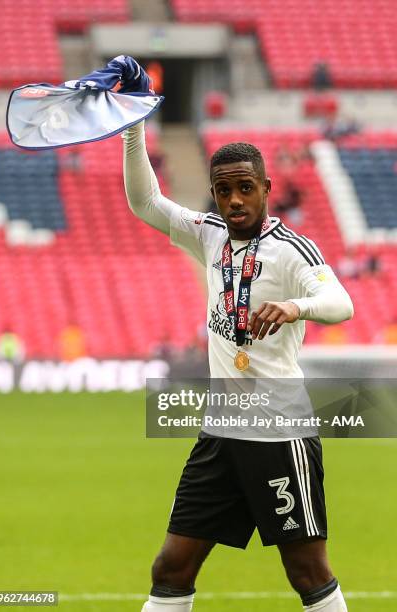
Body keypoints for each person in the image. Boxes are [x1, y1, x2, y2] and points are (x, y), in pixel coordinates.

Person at [122, 62, 353, 612]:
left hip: (279, 433)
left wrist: (295, 306)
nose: (234, 202)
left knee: (306, 570)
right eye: (223, 192)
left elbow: (341, 303)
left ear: (267, 189)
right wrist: (132, 123)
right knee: (171, 566)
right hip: (221, 433)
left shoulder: (292, 250)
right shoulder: (208, 237)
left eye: (245, 189)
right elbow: (145, 203)